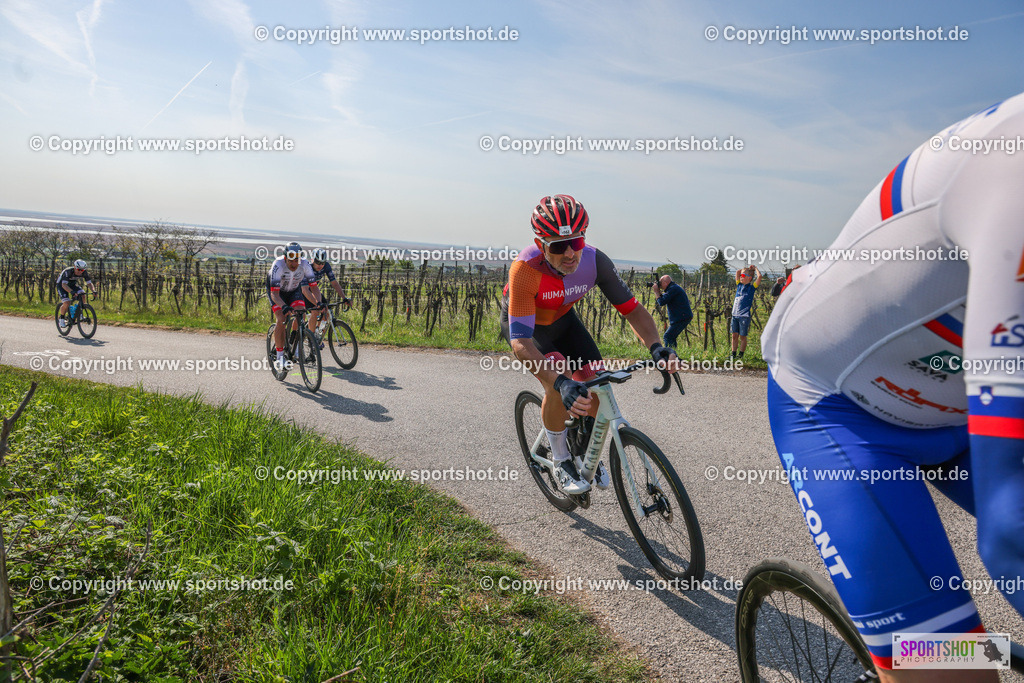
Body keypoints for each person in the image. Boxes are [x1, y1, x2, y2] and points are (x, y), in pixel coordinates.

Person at [762, 93, 1024, 682]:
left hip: (957, 407)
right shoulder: (1015, 173)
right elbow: (1012, 533)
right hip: (838, 408)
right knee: (953, 673)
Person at [500, 194, 679, 495]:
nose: (570, 254)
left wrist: (656, 346)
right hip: (530, 331)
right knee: (557, 379)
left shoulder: (595, 262)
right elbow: (521, 344)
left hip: (564, 321)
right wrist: (560, 383)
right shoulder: (525, 270)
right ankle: (560, 459)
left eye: (577, 242)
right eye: (558, 245)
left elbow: (633, 310)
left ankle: (582, 448)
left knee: (596, 381)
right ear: (540, 243)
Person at [266, 242, 321, 370]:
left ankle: (294, 346)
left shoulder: (305, 265)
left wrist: (318, 303)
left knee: (300, 315)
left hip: (294, 290)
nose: (294, 264)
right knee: (281, 318)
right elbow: (274, 294)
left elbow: (314, 287)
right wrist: (284, 306)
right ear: (285, 258)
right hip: (277, 292)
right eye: (291, 261)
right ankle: (280, 357)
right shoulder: (278, 265)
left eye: (297, 260)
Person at [304, 248, 353, 342]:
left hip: (315, 290)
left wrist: (344, 298)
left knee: (326, 312)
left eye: (322, 263)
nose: (320, 265)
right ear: (313, 260)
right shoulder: (308, 267)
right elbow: (305, 290)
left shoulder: (326, 266)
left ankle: (317, 331)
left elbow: (334, 283)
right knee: (315, 311)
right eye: (318, 262)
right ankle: (311, 339)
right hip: (304, 291)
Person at [651, 274, 692, 350]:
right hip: (681, 317)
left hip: (681, 317)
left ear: (665, 282)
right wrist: (659, 291)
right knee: (671, 337)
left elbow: (662, 302)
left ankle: (669, 356)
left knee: (668, 336)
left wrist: (656, 292)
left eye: (660, 283)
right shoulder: (673, 288)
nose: (660, 285)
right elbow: (664, 298)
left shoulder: (673, 289)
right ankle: (674, 355)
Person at [730, 264, 760, 359]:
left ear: (749, 278)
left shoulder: (752, 288)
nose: (740, 277)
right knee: (734, 335)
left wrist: (755, 269)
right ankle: (733, 354)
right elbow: (737, 272)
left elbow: (759, 277)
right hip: (735, 314)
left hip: (744, 316)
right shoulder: (739, 285)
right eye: (741, 276)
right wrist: (744, 270)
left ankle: (741, 355)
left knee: (742, 336)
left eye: (743, 276)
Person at [55, 259, 97, 325]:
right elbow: (64, 285)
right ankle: (61, 319)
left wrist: (93, 290)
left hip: (72, 284)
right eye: (78, 269)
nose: (80, 272)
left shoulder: (84, 272)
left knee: (82, 295)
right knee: (67, 302)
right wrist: (72, 292)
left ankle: (79, 313)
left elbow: (89, 283)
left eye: (82, 270)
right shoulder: (68, 272)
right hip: (62, 285)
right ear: (75, 267)